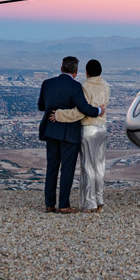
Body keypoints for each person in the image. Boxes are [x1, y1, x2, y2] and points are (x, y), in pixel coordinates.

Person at [38, 56, 102, 213]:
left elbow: (41, 106)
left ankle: (49, 204)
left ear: (61, 68)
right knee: (67, 169)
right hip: (69, 134)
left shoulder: (47, 84)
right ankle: (64, 205)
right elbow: (83, 108)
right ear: (75, 72)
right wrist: (99, 111)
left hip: (51, 131)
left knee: (52, 167)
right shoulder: (75, 86)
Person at [53, 59, 110, 212]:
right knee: (100, 166)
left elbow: (80, 111)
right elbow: (102, 107)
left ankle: (89, 203)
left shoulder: (84, 86)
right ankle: (100, 200)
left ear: (86, 72)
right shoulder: (105, 85)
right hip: (102, 128)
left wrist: (59, 115)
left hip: (88, 129)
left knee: (87, 166)